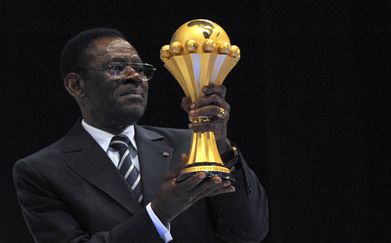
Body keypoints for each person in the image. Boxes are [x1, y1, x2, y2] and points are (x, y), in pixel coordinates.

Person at [13, 28, 268, 243]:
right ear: (75, 85)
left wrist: (219, 143)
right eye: (116, 67)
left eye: (141, 69)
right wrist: (159, 213)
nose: (135, 77)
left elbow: (250, 232)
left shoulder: (189, 147)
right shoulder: (41, 171)